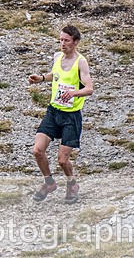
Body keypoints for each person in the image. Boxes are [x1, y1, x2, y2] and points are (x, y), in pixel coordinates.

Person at [28, 24, 94, 204]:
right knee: (37, 150)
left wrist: (74, 93)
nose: (62, 44)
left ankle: (72, 184)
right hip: (53, 111)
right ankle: (49, 182)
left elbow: (89, 89)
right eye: (61, 40)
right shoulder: (57, 57)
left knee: (63, 160)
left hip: (71, 116)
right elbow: (55, 75)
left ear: (76, 42)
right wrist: (41, 78)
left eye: (66, 41)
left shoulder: (81, 62)